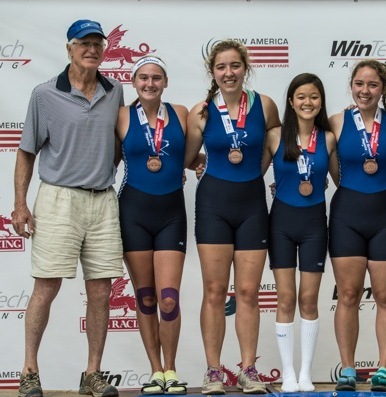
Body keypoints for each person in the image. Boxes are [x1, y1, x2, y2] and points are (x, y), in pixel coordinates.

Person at [11, 19, 124, 397]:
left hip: (104, 200)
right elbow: (26, 152)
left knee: (102, 291)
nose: (91, 49)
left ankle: (92, 373)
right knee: (46, 286)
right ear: (69, 49)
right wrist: (19, 205)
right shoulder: (45, 94)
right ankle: (29, 370)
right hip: (58, 198)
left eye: (97, 43)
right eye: (83, 43)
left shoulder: (115, 91)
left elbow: (123, 143)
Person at [184, 39, 280, 395]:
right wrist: (203, 164)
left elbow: (276, 144)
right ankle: (213, 371)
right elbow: (187, 157)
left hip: (252, 205)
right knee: (213, 291)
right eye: (221, 67)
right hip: (213, 205)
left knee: (248, 292)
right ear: (213, 72)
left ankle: (249, 369)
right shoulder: (201, 112)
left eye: (235, 66)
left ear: (246, 68)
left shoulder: (265, 105)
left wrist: (258, 172)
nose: (229, 73)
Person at [328, 59, 386, 392]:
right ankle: (347, 368)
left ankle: (384, 369)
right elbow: (322, 160)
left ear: (384, 89)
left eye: (373, 85)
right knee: (347, 295)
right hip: (347, 213)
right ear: (352, 86)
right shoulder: (336, 121)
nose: (365, 91)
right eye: (360, 84)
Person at [115, 56, 188, 395]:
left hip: (171, 213)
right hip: (133, 211)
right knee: (145, 298)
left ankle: (171, 369)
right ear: (134, 82)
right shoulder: (122, 116)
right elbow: (106, 160)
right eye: (143, 77)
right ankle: (155, 371)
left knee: (168, 298)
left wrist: (201, 161)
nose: (150, 83)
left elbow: (196, 151)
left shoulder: (182, 113)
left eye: (156, 77)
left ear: (166, 81)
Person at [261, 73, 336, 393]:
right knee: (286, 297)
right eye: (301, 97)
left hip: (315, 223)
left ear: (321, 102)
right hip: (281, 223)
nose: (308, 102)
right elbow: (252, 172)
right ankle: (287, 373)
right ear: (291, 101)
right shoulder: (276, 135)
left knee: (308, 298)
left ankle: (305, 373)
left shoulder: (330, 139)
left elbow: (346, 179)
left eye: (314, 97)